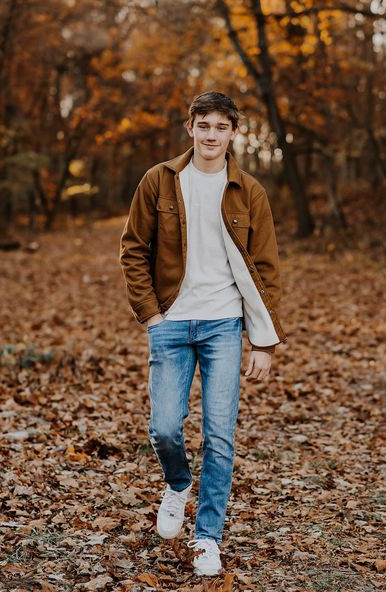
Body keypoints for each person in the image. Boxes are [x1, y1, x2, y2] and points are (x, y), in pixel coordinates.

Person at [119, 90, 287, 576]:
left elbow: (267, 269)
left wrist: (263, 341)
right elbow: (133, 248)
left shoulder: (249, 191)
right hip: (170, 321)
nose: (212, 135)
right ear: (189, 128)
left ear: (234, 132)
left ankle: (207, 537)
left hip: (223, 325)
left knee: (219, 435)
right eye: (203, 126)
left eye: (221, 127)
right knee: (166, 428)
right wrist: (150, 314)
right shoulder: (159, 181)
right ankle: (177, 483)